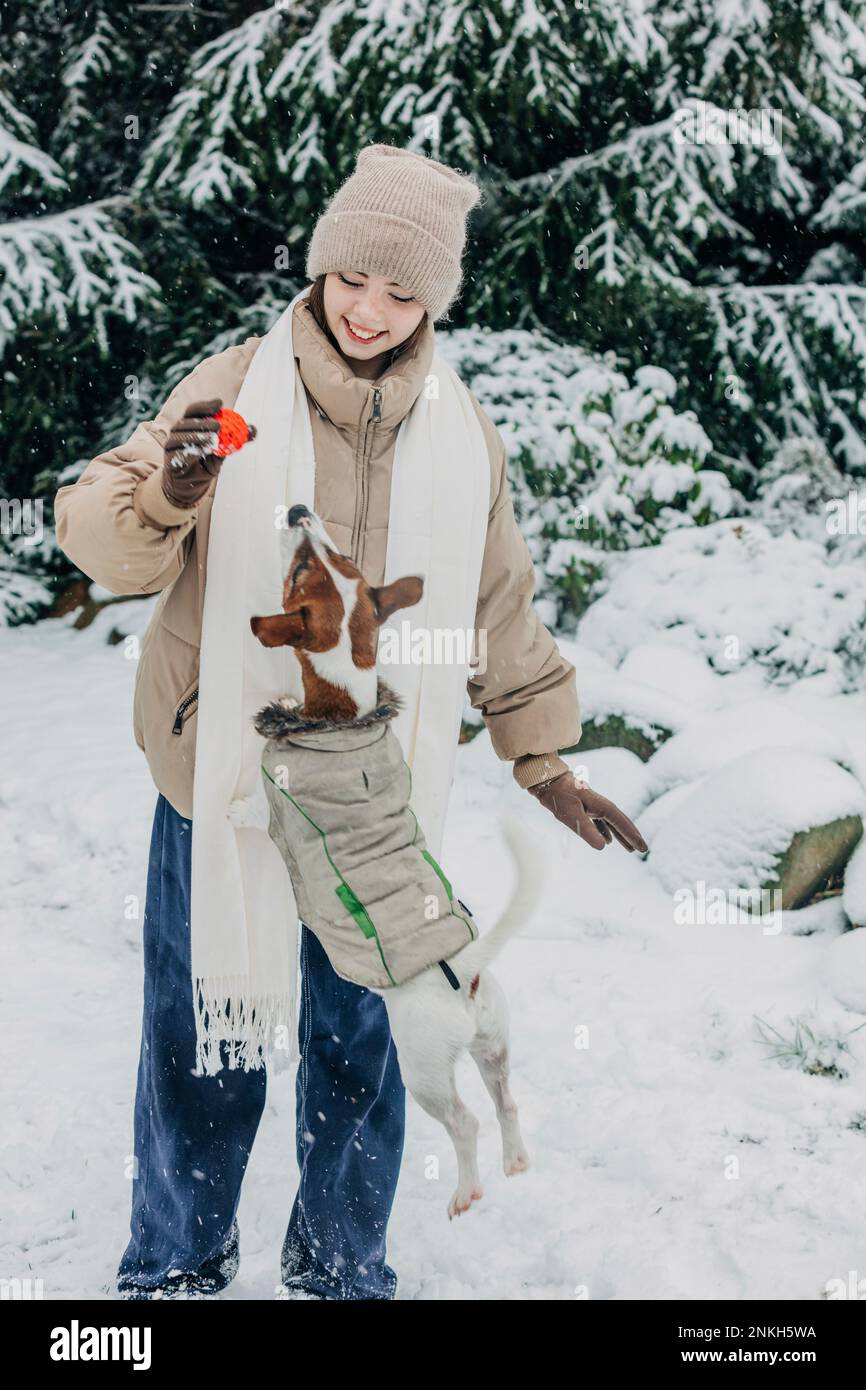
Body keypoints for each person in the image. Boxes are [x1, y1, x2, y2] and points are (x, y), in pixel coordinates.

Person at [53, 144, 645, 1301]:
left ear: (433, 299)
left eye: (401, 290)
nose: (369, 311)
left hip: (378, 799)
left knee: (362, 1039)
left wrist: (540, 753)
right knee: (198, 1034)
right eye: (350, 281)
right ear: (320, 269)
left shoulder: (461, 429)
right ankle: (173, 1264)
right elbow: (95, 534)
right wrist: (170, 495)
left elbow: (495, 599)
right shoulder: (232, 387)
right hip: (220, 772)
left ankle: (338, 1266)